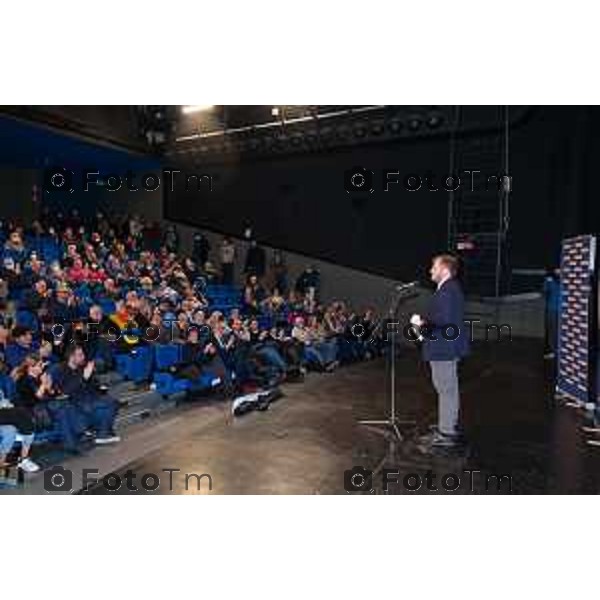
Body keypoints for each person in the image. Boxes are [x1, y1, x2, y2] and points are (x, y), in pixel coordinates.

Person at [411, 254, 470, 448]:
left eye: (434, 267)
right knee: (448, 390)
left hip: (443, 348)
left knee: (445, 390)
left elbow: (443, 321)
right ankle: (447, 425)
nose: (430, 270)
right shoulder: (449, 289)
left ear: (445, 269)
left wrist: (422, 324)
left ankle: (446, 433)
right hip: (446, 347)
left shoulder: (447, 291)